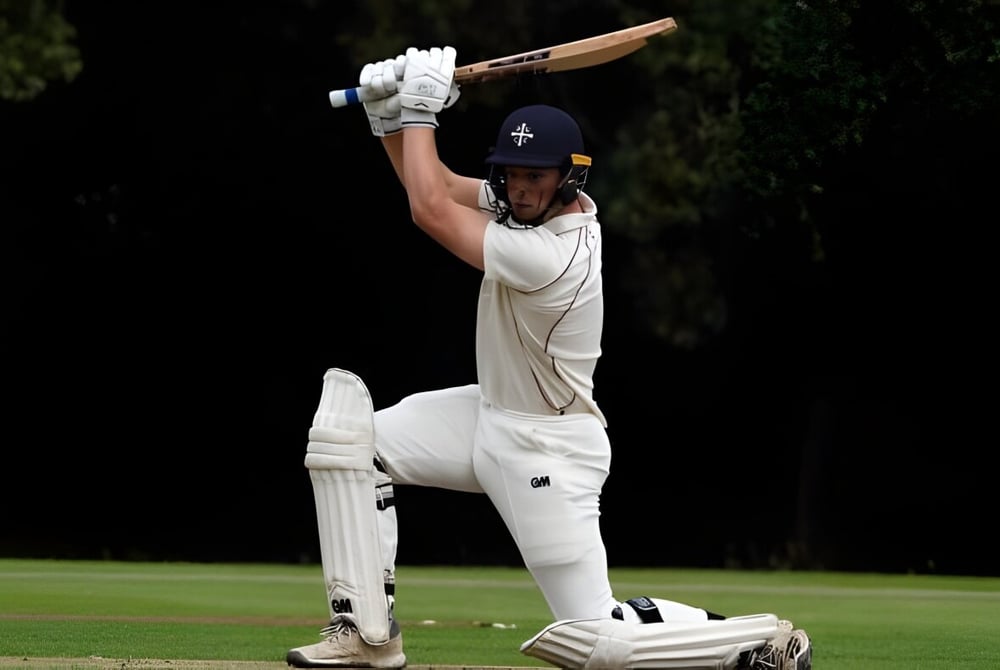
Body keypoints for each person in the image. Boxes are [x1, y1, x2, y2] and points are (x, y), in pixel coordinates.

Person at [286, 46, 812, 670]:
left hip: (548, 450)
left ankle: (760, 642)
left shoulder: (552, 256)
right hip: (491, 415)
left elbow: (429, 209)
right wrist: (391, 119)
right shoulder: (525, 207)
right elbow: (440, 184)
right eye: (510, 173)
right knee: (351, 442)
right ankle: (367, 636)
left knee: (593, 636)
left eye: (534, 175)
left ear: (570, 176)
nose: (519, 186)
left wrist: (421, 112)